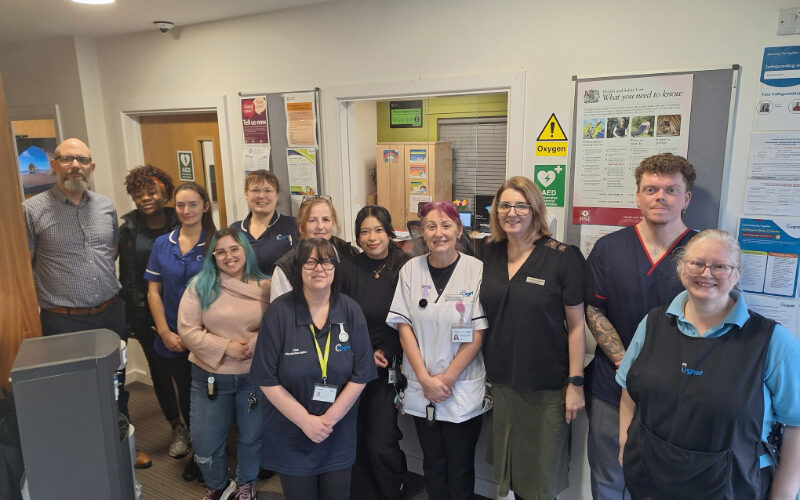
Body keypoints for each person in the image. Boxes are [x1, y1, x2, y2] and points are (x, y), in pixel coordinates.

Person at [617, 229, 800, 499]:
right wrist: (624, 446)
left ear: (737, 274)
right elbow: (628, 393)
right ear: (681, 267)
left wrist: (783, 494)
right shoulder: (652, 324)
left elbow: (795, 424)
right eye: (697, 263)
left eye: (720, 266)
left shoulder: (772, 340)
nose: (706, 274)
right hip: (651, 481)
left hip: (734, 486)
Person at [584, 153, 696, 499]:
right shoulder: (609, 248)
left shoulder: (703, 253)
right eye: (651, 189)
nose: (660, 197)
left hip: (678, 390)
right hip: (610, 386)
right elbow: (593, 309)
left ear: (686, 198)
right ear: (637, 196)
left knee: (665, 483)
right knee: (608, 479)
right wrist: (625, 361)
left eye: (670, 190)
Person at [23, 137, 136, 453]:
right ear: (54, 164)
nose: (75, 166)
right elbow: (25, 266)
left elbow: (109, 252)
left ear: (92, 166)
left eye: (82, 160)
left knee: (117, 381)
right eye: (67, 158)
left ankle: (120, 442)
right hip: (63, 320)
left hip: (110, 313)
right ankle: (83, 452)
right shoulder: (32, 210)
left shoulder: (105, 206)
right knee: (71, 388)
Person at [480, 177, 590, 500]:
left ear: (535, 209)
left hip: (545, 387)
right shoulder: (488, 251)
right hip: (501, 382)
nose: (511, 212)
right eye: (504, 205)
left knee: (540, 481)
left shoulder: (562, 257)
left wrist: (576, 382)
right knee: (509, 471)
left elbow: (577, 326)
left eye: (520, 205)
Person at [251, 238, 377, 500]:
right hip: (291, 431)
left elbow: (362, 373)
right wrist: (306, 422)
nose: (319, 268)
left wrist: (327, 420)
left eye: (326, 261)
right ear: (298, 268)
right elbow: (266, 379)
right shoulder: (279, 312)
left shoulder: (350, 310)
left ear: (335, 268)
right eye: (310, 261)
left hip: (337, 430)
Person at [386, 201, 489, 500]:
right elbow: (404, 328)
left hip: (460, 387)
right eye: (431, 226)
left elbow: (477, 333)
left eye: (446, 225)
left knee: (460, 465)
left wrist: (445, 380)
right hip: (422, 385)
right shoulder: (410, 270)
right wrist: (426, 379)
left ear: (459, 230)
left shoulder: (477, 270)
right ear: (422, 233)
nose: (438, 233)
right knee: (433, 462)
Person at [177, 228, 269, 500]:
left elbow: (277, 327)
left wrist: (252, 344)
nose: (229, 256)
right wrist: (225, 347)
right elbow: (187, 330)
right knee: (204, 443)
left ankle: (245, 484)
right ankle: (217, 485)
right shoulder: (200, 285)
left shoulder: (267, 286)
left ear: (245, 251)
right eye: (221, 251)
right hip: (210, 379)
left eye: (234, 249)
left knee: (252, 438)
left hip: (253, 378)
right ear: (213, 256)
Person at [145, 181, 217, 481]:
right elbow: (153, 292)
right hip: (174, 339)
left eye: (192, 204)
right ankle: (200, 457)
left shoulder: (217, 242)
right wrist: (164, 331)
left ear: (205, 206)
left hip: (212, 337)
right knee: (189, 399)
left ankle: (218, 453)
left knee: (214, 399)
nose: (186, 210)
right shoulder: (163, 244)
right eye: (180, 205)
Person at [339, 206, 409, 500]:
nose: (372, 237)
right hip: (351, 364)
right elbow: (338, 317)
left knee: (380, 441)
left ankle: (393, 490)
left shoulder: (405, 266)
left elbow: (410, 320)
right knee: (352, 437)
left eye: (378, 230)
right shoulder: (348, 268)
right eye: (365, 231)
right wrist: (360, 352)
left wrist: (386, 352)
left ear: (389, 232)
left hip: (389, 366)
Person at [119, 164, 179, 469]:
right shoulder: (128, 229)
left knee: (190, 368)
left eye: (151, 191)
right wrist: (140, 313)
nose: (145, 197)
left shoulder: (180, 218)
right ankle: (176, 425)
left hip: (184, 308)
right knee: (160, 369)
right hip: (145, 311)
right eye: (138, 192)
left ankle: (199, 425)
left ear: (164, 192)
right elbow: (127, 275)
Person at [270, 195, 358, 301]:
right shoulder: (286, 267)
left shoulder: (351, 254)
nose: (320, 226)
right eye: (312, 220)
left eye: (326, 219)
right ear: (301, 226)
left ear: (333, 223)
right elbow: (279, 313)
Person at [231, 170, 299, 275]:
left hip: (283, 290)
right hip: (244, 290)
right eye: (255, 190)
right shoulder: (235, 230)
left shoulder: (294, 226)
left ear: (277, 194)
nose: (261, 195)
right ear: (246, 194)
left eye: (268, 191)